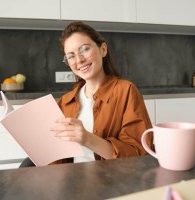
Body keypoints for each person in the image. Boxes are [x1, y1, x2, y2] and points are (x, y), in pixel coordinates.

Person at [19, 21, 153, 167]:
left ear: (103, 49)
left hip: (113, 182)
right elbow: (55, 158)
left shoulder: (126, 91)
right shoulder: (65, 102)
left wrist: (87, 139)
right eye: (71, 56)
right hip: (71, 181)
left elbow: (139, 155)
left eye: (84, 49)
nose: (79, 60)